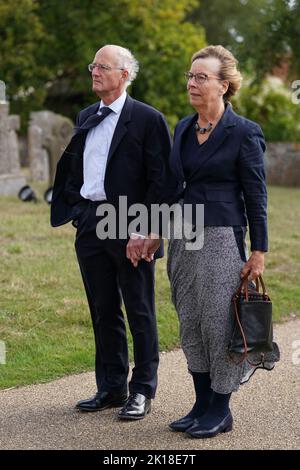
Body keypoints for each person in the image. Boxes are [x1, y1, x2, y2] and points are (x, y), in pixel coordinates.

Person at [51, 45, 172, 420]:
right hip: (90, 222)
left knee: (139, 309)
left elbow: (161, 181)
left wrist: (146, 228)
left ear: (124, 75)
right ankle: (112, 387)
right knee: (103, 309)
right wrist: (77, 207)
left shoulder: (148, 119)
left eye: (102, 67)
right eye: (93, 66)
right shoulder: (87, 114)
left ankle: (143, 390)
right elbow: (76, 166)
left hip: (130, 224)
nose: (94, 72)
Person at [167, 45, 279, 438]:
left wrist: (259, 250)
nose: (192, 83)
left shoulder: (244, 132)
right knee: (190, 323)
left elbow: (256, 195)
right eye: (190, 76)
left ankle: (220, 408)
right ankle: (200, 404)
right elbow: (171, 186)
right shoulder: (182, 127)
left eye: (201, 77)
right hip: (182, 235)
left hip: (220, 238)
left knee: (217, 324)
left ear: (224, 85)